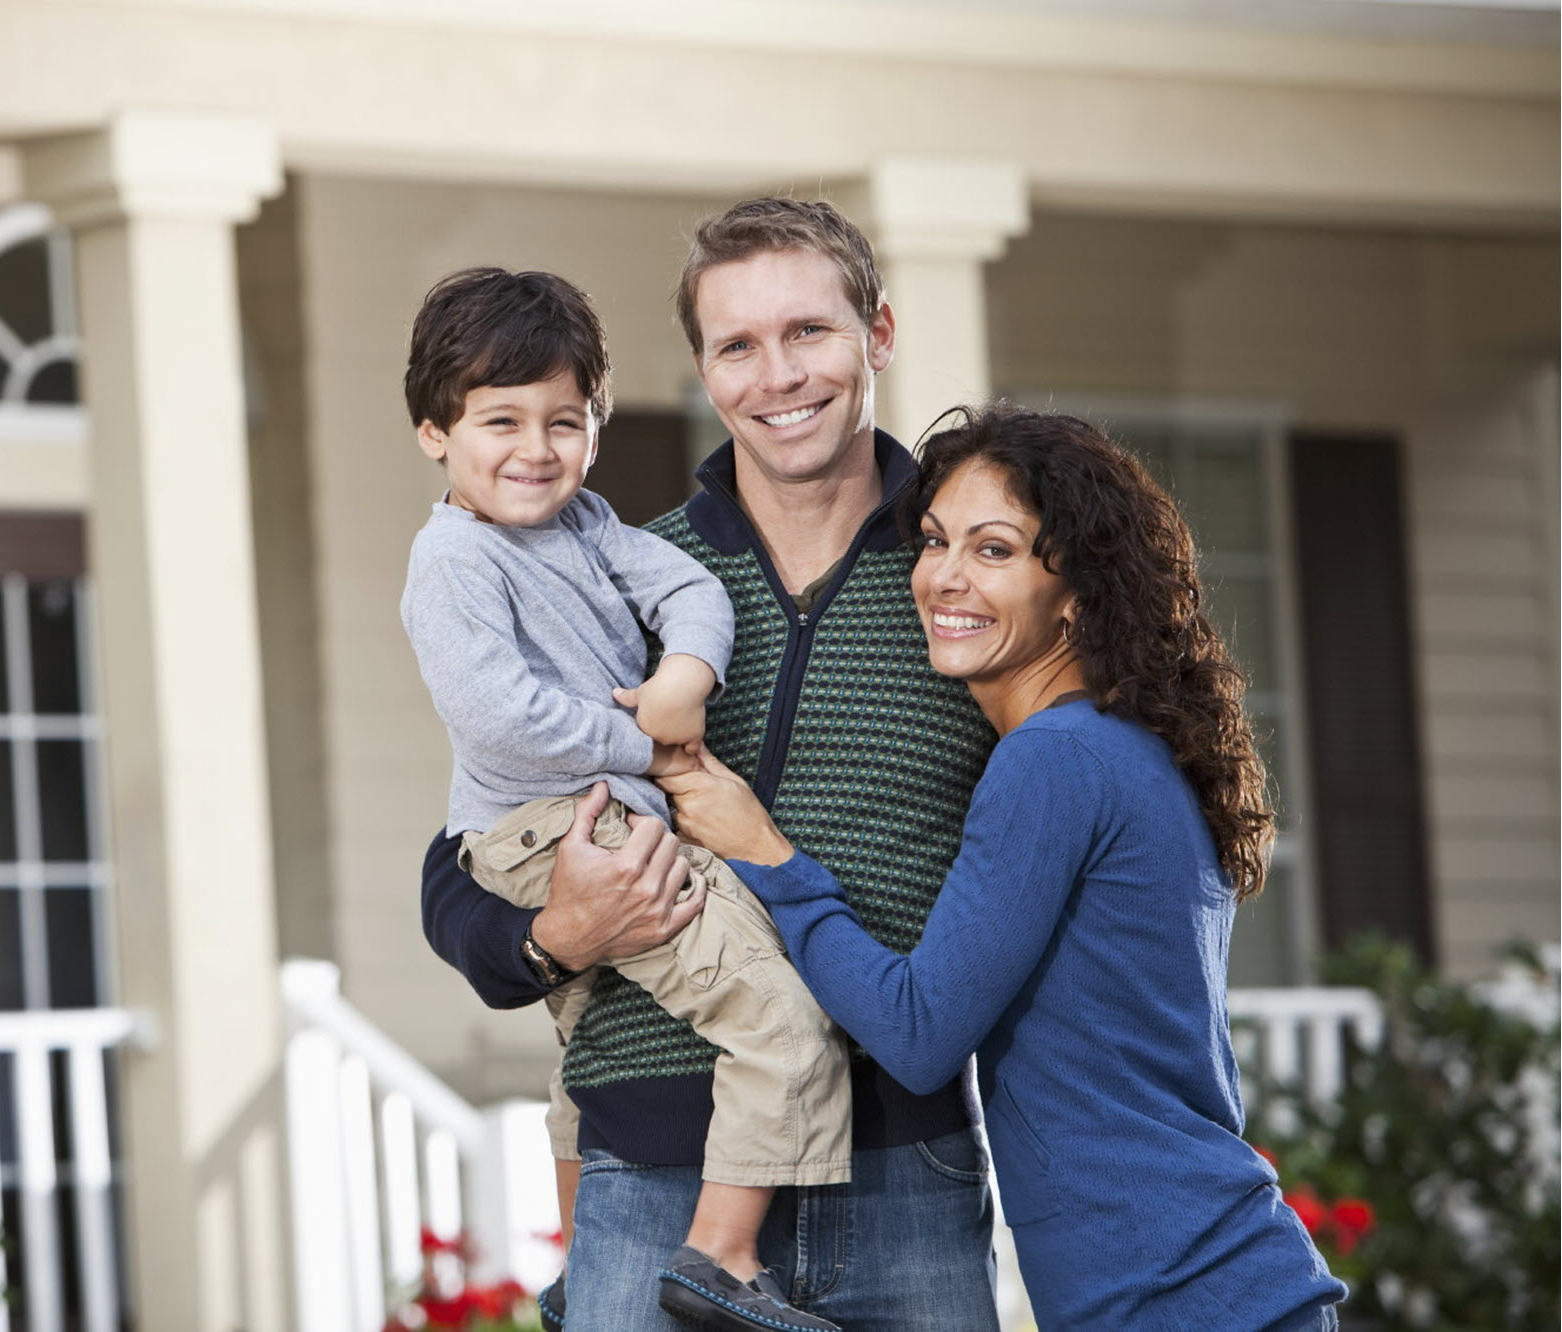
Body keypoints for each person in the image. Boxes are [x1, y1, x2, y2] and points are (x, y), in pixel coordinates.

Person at [420, 200, 1002, 1330]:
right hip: (651, 1177)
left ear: (876, 332)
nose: (777, 375)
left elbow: (1053, 816)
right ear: (701, 368)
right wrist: (550, 940)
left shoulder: (962, 576)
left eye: (809, 333)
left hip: (907, 1178)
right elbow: (464, 854)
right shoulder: (613, 570)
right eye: (736, 345)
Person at [663, 405, 1349, 1330]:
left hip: (1180, 1294)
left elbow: (917, 1033)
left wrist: (764, 851)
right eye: (937, 540)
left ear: (1077, 589)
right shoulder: (1112, 747)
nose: (944, 575)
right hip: (1198, 1283)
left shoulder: (1055, 759)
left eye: (995, 550)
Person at [399, 266, 853, 1332]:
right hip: (551, 826)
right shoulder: (451, 559)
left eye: (564, 421)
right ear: (434, 433)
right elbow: (500, 714)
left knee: (585, 1046)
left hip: (592, 813)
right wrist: (644, 748)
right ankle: (721, 1256)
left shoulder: (587, 525)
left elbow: (687, 590)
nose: (535, 448)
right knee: (783, 1023)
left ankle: (573, 1274)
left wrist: (682, 678)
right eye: (499, 420)